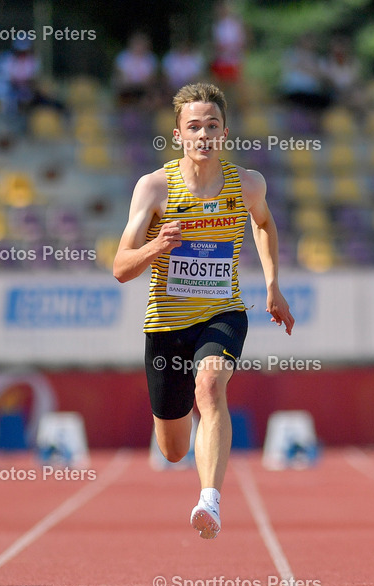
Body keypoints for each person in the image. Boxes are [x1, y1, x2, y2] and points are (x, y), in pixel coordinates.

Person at [113, 82, 294, 539]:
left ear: (224, 133)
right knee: (173, 449)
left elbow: (264, 223)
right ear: (178, 135)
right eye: (194, 127)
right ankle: (188, 450)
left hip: (222, 313)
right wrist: (157, 245)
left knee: (211, 387)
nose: (203, 135)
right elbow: (120, 268)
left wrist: (273, 284)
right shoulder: (154, 188)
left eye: (212, 126)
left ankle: (209, 500)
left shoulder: (248, 184)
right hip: (166, 325)